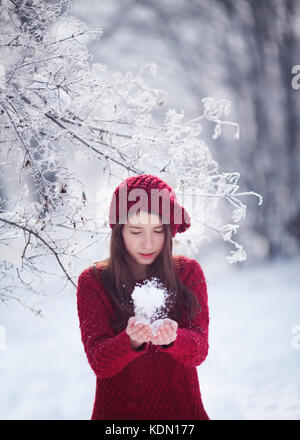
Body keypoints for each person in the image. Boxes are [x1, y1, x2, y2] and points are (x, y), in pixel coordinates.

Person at [76, 174, 210, 420]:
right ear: (118, 232)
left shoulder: (188, 272)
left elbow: (199, 350)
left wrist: (174, 338)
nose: (148, 243)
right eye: (136, 231)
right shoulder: (93, 281)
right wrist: (130, 340)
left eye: (158, 230)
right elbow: (99, 362)